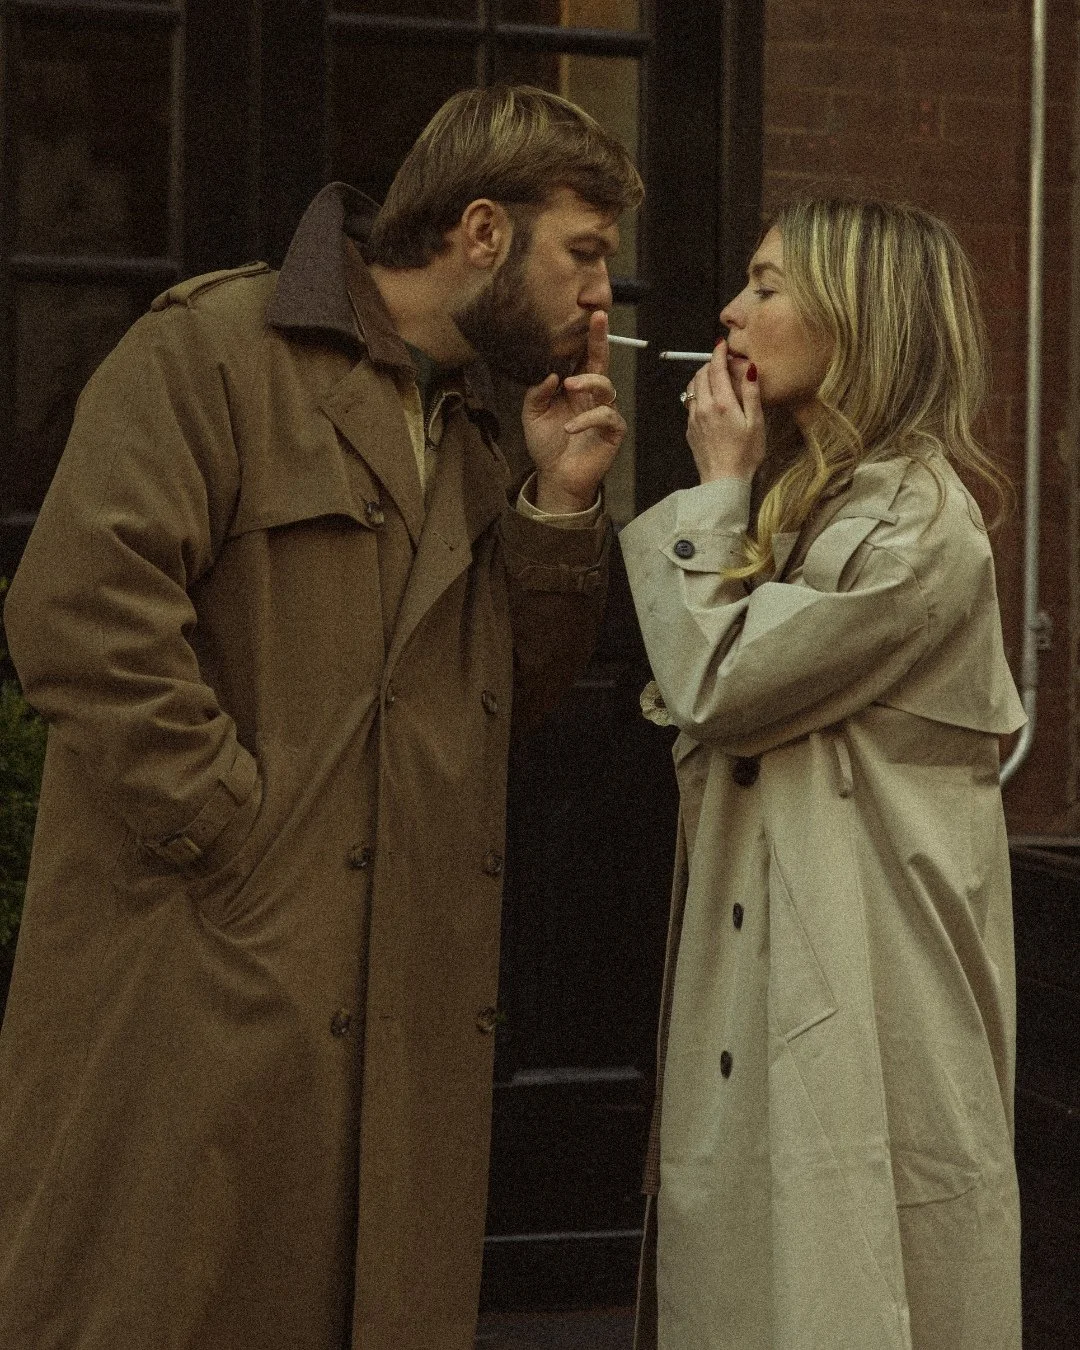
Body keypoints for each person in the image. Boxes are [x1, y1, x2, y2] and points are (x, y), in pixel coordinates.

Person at [0, 86, 643, 1350]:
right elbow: (79, 612)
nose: (600, 298)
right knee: (158, 1304)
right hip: (200, 980)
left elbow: (510, 697)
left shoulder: (477, 430)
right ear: (481, 233)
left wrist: (562, 506)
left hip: (392, 1011)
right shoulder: (213, 351)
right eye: (585, 253)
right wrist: (233, 828)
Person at [620, 199, 1024, 1350]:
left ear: (861, 319)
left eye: (767, 286)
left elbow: (723, 682)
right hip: (780, 982)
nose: (731, 312)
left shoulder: (918, 528)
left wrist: (714, 483)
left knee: (849, 1289)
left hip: (866, 998)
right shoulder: (816, 505)